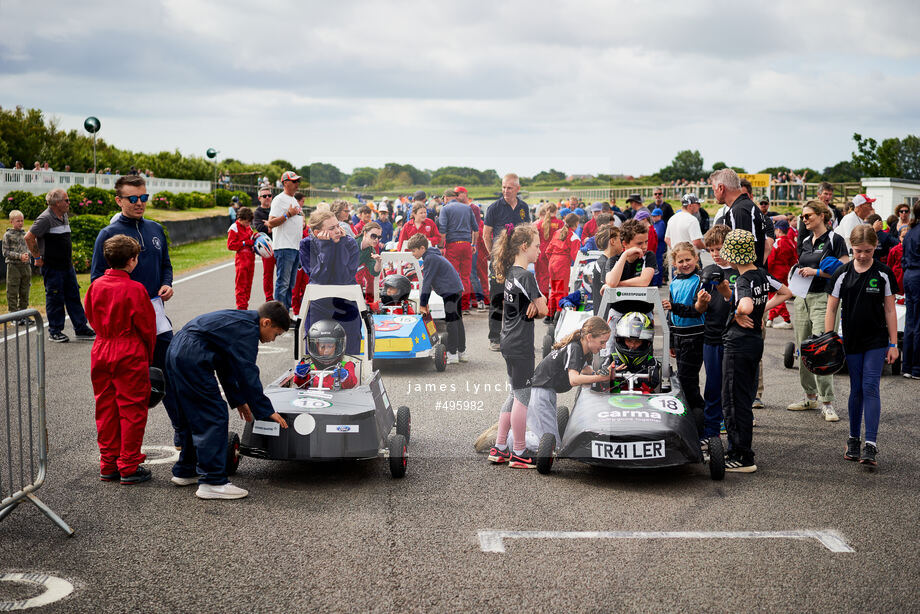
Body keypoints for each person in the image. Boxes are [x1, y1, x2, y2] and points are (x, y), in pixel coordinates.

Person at [166, 302, 290, 499]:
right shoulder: (247, 332)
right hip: (192, 355)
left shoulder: (240, 322)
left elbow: (227, 366)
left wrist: (239, 400)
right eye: (276, 334)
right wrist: (266, 410)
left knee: (193, 414)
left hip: (178, 350)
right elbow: (247, 374)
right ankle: (212, 481)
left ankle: (186, 470)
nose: (273, 340)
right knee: (213, 415)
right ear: (266, 323)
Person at [84, 235, 157, 484]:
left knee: (105, 408)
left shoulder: (95, 286)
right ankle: (128, 464)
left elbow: (90, 315)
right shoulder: (135, 289)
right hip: (128, 349)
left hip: (102, 346)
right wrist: (148, 355)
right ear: (133, 260)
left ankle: (108, 462)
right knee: (133, 409)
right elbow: (147, 327)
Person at [826, 225, 899, 466]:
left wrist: (893, 343)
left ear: (876, 246)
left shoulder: (884, 273)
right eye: (858, 250)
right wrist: (829, 338)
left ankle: (871, 444)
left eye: (868, 250)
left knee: (870, 387)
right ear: (851, 247)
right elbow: (831, 307)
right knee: (856, 388)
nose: (863, 255)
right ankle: (853, 439)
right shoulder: (842, 273)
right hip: (851, 339)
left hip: (877, 340)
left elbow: (890, 310)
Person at [718, 229, 791, 473]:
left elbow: (746, 304)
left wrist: (739, 312)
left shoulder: (743, 280)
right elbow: (786, 292)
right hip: (754, 342)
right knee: (745, 398)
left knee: (732, 399)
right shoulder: (761, 274)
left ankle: (741, 456)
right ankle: (742, 450)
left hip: (738, 344)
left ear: (732, 256)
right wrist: (764, 311)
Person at [488, 224, 546, 468]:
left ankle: (500, 447)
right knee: (523, 397)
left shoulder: (511, 273)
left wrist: (534, 306)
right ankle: (519, 452)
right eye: (536, 246)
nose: (540, 250)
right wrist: (537, 307)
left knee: (513, 394)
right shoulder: (526, 275)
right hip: (520, 344)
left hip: (507, 341)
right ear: (524, 247)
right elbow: (544, 308)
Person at [788, 200, 849, 420]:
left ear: (822, 215)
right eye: (802, 217)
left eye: (808, 216)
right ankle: (809, 396)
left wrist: (817, 272)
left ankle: (827, 402)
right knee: (804, 346)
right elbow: (801, 265)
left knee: (823, 348)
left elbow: (844, 269)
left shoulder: (835, 239)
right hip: (802, 297)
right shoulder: (804, 240)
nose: (804, 220)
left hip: (824, 297)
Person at [25, 189, 95, 343]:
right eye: (67, 200)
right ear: (57, 203)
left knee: (74, 296)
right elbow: (29, 237)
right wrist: (37, 257)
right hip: (52, 266)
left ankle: (81, 328)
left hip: (67, 266)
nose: (69, 203)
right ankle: (55, 331)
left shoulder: (63, 215)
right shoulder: (45, 218)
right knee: (55, 298)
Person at [526, 317, 611, 443]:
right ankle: (510, 440)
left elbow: (584, 369)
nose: (604, 347)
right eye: (602, 342)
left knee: (555, 442)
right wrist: (600, 378)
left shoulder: (583, 349)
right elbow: (574, 379)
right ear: (589, 337)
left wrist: (600, 373)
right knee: (550, 444)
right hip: (539, 393)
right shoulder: (575, 348)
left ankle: (515, 438)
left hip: (547, 392)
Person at [299, 210, 361, 355]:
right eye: (332, 228)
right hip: (319, 304)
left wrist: (339, 246)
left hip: (345, 303)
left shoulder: (350, 243)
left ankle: (350, 374)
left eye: (338, 226)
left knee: (349, 348)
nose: (338, 231)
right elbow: (319, 278)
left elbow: (343, 278)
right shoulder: (306, 245)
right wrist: (325, 247)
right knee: (316, 348)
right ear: (317, 232)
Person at [482, 173, 531, 351]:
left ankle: (515, 337)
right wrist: (494, 255)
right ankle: (495, 338)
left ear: (517, 189)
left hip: (518, 260)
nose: (505, 191)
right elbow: (485, 235)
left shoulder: (524, 207)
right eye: (503, 187)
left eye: (509, 188)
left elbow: (528, 233)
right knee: (497, 299)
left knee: (518, 298)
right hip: (499, 262)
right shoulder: (494, 208)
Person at [661, 242, 706, 420]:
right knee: (683, 379)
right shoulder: (675, 282)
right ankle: (692, 414)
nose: (685, 264)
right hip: (679, 337)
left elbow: (696, 311)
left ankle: (699, 414)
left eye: (688, 259)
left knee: (687, 380)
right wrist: (671, 341)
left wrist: (674, 307)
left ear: (696, 258)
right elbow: (670, 317)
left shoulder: (700, 281)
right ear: (674, 263)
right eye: (680, 261)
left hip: (695, 336)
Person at [699, 224, 734, 440]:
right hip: (711, 337)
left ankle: (733, 430)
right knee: (712, 386)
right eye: (711, 250)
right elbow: (700, 308)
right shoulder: (706, 272)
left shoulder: (740, 272)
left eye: (719, 248)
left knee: (730, 389)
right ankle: (710, 432)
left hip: (732, 339)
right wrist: (701, 303)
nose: (715, 254)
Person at [407, 234, 466, 364]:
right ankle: (462, 352)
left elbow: (427, 282)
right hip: (455, 288)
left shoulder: (430, 258)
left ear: (422, 248)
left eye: (413, 250)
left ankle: (452, 354)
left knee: (451, 322)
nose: (412, 254)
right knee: (457, 320)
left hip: (450, 290)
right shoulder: (432, 255)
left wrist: (423, 303)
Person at [710, 169, 768, 268]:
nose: (713, 193)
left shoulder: (738, 210)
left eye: (713, 189)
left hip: (749, 276)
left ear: (721, 188)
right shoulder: (750, 206)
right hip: (756, 273)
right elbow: (767, 246)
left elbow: (741, 253)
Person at [266, 171, 305, 310]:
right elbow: (271, 223)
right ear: (285, 183)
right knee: (283, 283)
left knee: (290, 284)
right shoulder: (279, 199)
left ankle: (285, 315)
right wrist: (288, 214)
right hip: (284, 246)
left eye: (297, 181)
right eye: (293, 181)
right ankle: (278, 315)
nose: (297, 184)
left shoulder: (294, 200)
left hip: (294, 247)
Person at [438, 188, 479, 312]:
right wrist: (473, 245)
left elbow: (443, 231)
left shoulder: (445, 209)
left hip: (453, 245)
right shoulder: (467, 208)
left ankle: (454, 305)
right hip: (466, 245)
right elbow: (476, 229)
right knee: (465, 277)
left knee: (453, 276)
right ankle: (465, 306)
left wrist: (440, 247)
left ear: (445, 198)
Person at [294, 320, 358, 390]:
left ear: (337, 347)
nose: (326, 351)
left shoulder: (347, 365)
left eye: (330, 346)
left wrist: (345, 376)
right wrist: (300, 376)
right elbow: (300, 384)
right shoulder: (309, 367)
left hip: (338, 399)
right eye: (322, 347)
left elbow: (351, 384)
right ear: (316, 347)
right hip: (313, 399)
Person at [546, 212, 580, 321]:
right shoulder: (574, 237)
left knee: (554, 289)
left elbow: (548, 251)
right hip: (562, 263)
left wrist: (553, 261)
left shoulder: (557, 232)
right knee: (562, 290)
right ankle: (560, 314)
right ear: (576, 224)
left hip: (552, 262)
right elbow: (576, 257)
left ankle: (549, 314)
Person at [605, 219, 656, 288]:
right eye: (639, 243)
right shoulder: (613, 260)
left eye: (646, 242)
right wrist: (625, 255)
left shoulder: (648, 256)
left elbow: (644, 281)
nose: (644, 247)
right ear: (625, 243)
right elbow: (611, 282)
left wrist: (618, 284)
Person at [765, 218, 795, 328]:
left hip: (775, 272)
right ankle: (770, 319)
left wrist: (766, 271)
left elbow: (771, 259)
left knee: (775, 296)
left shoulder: (777, 243)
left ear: (778, 230)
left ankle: (787, 320)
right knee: (776, 295)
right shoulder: (791, 243)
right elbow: (794, 260)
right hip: (785, 272)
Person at [902, 202, 920, 379]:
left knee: (910, 321)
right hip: (917, 274)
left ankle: (907, 365)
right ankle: (916, 367)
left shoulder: (910, 231)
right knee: (918, 322)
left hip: (909, 274)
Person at [3, 210, 32, 320]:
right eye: (18, 221)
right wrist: (19, 256)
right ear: (11, 222)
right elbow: (5, 252)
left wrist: (27, 255)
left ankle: (23, 314)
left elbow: (30, 248)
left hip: (26, 266)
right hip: (13, 266)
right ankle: (13, 316)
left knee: (25, 290)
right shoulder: (8, 235)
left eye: (22, 220)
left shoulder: (26, 235)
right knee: (12, 290)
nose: (20, 223)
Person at [227, 206, 256, 310]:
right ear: (240, 219)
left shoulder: (248, 228)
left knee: (249, 284)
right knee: (241, 285)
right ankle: (241, 308)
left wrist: (255, 238)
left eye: (249, 222)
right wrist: (245, 243)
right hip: (241, 260)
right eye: (247, 222)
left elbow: (251, 239)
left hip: (251, 259)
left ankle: (245, 306)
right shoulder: (233, 228)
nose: (248, 224)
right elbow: (230, 245)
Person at [591, 224, 622, 315]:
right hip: (605, 317)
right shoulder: (604, 263)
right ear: (612, 241)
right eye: (620, 239)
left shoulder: (605, 261)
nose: (622, 242)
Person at [252, 186, 276, 302]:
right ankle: (269, 299)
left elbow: (283, 224)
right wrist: (274, 225)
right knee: (268, 274)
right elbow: (261, 228)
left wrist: (270, 224)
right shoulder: (258, 213)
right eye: (264, 196)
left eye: (269, 196)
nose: (267, 198)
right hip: (267, 247)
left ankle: (286, 299)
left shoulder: (276, 208)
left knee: (285, 274)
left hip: (281, 244)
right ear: (259, 198)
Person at [535, 203, 562, 299]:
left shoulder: (538, 224)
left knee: (542, 278)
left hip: (541, 252)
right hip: (555, 253)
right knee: (557, 278)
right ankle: (555, 301)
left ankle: (544, 299)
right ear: (556, 211)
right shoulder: (560, 223)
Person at [355, 222, 382, 302]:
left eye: (379, 237)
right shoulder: (352, 243)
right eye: (373, 236)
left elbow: (374, 272)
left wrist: (378, 262)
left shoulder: (370, 251)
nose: (376, 239)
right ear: (365, 233)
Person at [887, 224, 910, 292]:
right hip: (897, 278)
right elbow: (889, 265)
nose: (905, 239)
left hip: (909, 278)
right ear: (899, 237)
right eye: (903, 237)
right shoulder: (894, 250)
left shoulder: (914, 250)